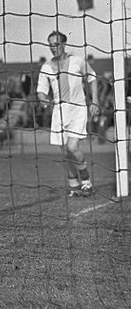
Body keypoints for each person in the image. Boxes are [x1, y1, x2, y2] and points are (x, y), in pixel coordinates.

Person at [36, 30, 99, 197]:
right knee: (65, 152)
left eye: (56, 44)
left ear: (64, 44)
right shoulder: (46, 67)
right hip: (59, 111)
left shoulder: (77, 61)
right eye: (50, 45)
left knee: (72, 147)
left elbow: (92, 77)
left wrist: (95, 101)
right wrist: (44, 100)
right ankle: (74, 185)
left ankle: (86, 181)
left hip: (77, 109)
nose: (53, 48)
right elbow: (41, 90)